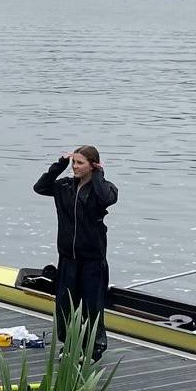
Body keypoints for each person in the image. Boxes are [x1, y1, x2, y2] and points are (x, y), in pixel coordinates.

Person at [34, 146, 119, 360]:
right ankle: (70, 345)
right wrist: (59, 165)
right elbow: (40, 187)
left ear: (93, 165)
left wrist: (98, 174)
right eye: (74, 163)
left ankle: (93, 349)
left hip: (92, 259)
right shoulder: (64, 186)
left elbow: (105, 199)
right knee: (65, 305)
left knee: (91, 307)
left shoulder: (105, 188)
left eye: (80, 163)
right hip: (67, 258)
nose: (75, 167)